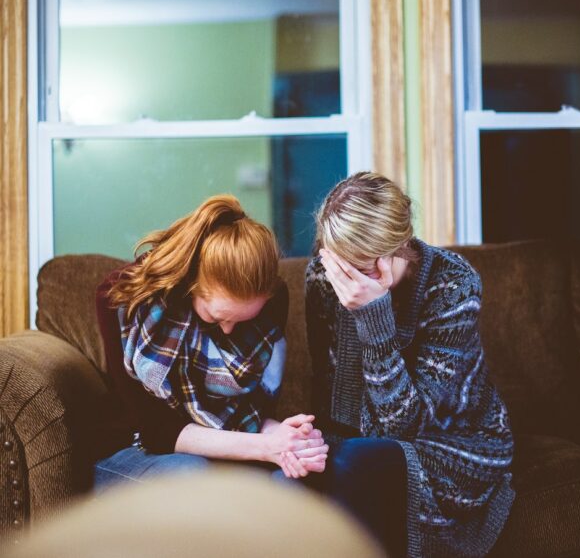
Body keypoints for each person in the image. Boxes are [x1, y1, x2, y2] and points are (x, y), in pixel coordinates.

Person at [304, 172, 515, 558]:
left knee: (357, 463)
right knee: (303, 472)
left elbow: (402, 428)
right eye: (340, 265)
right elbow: (330, 393)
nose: (347, 282)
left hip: (455, 443)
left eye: (362, 268)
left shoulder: (453, 284)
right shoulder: (323, 276)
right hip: (361, 442)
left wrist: (374, 316)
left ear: (400, 246)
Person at [94, 194, 328, 488]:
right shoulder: (121, 299)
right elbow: (157, 431)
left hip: (222, 448)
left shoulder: (272, 302)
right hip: (135, 448)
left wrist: (290, 439)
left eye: (242, 320)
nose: (229, 331)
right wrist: (267, 447)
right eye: (217, 318)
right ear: (190, 285)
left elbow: (251, 416)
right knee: (193, 474)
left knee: (293, 482)